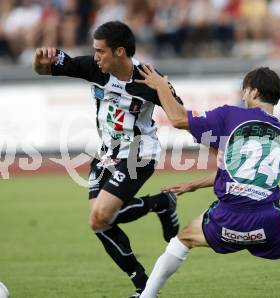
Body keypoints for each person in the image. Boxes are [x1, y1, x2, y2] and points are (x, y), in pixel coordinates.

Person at [135, 66, 280, 298]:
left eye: (244, 92)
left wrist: (161, 85)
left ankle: (146, 296)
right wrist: (194, 184)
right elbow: (244, 175)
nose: (243, 97)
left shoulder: (230, 115)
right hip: (269, 223)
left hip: (226, 221)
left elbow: (178, 118)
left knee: (182, 240)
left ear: (253, 92)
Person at [32, 21, 181, 297]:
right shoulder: (93, 68)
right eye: (95, 50)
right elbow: (45, 69)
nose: (96, 56)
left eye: (101, 51)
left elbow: (180, 115)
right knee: (100, 221)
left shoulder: (149, 78)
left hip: (139, 153)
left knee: (99, 217)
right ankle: (160, 205)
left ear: (120, 52)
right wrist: (40, 62)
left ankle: (144, 285)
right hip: (107, 154)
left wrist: (163, 89)